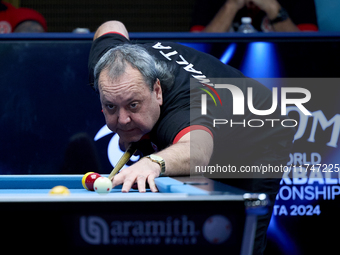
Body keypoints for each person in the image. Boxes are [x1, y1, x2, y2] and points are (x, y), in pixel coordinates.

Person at [88, 20, 295, 254]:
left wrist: (152, 162)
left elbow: (197, 152)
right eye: (111, 107)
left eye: (133, 105)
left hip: (257, 135)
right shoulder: (108, 64)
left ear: (157, 91)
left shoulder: (182, 110)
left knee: (238, 233)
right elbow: (111, 26)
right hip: (206, 118)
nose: (123, 119)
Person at [190, 0, 318, 32]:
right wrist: (232, 5)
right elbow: (196, 49)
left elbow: (311, 50)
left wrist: (272, 8)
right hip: (221, 74)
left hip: (286, 74)